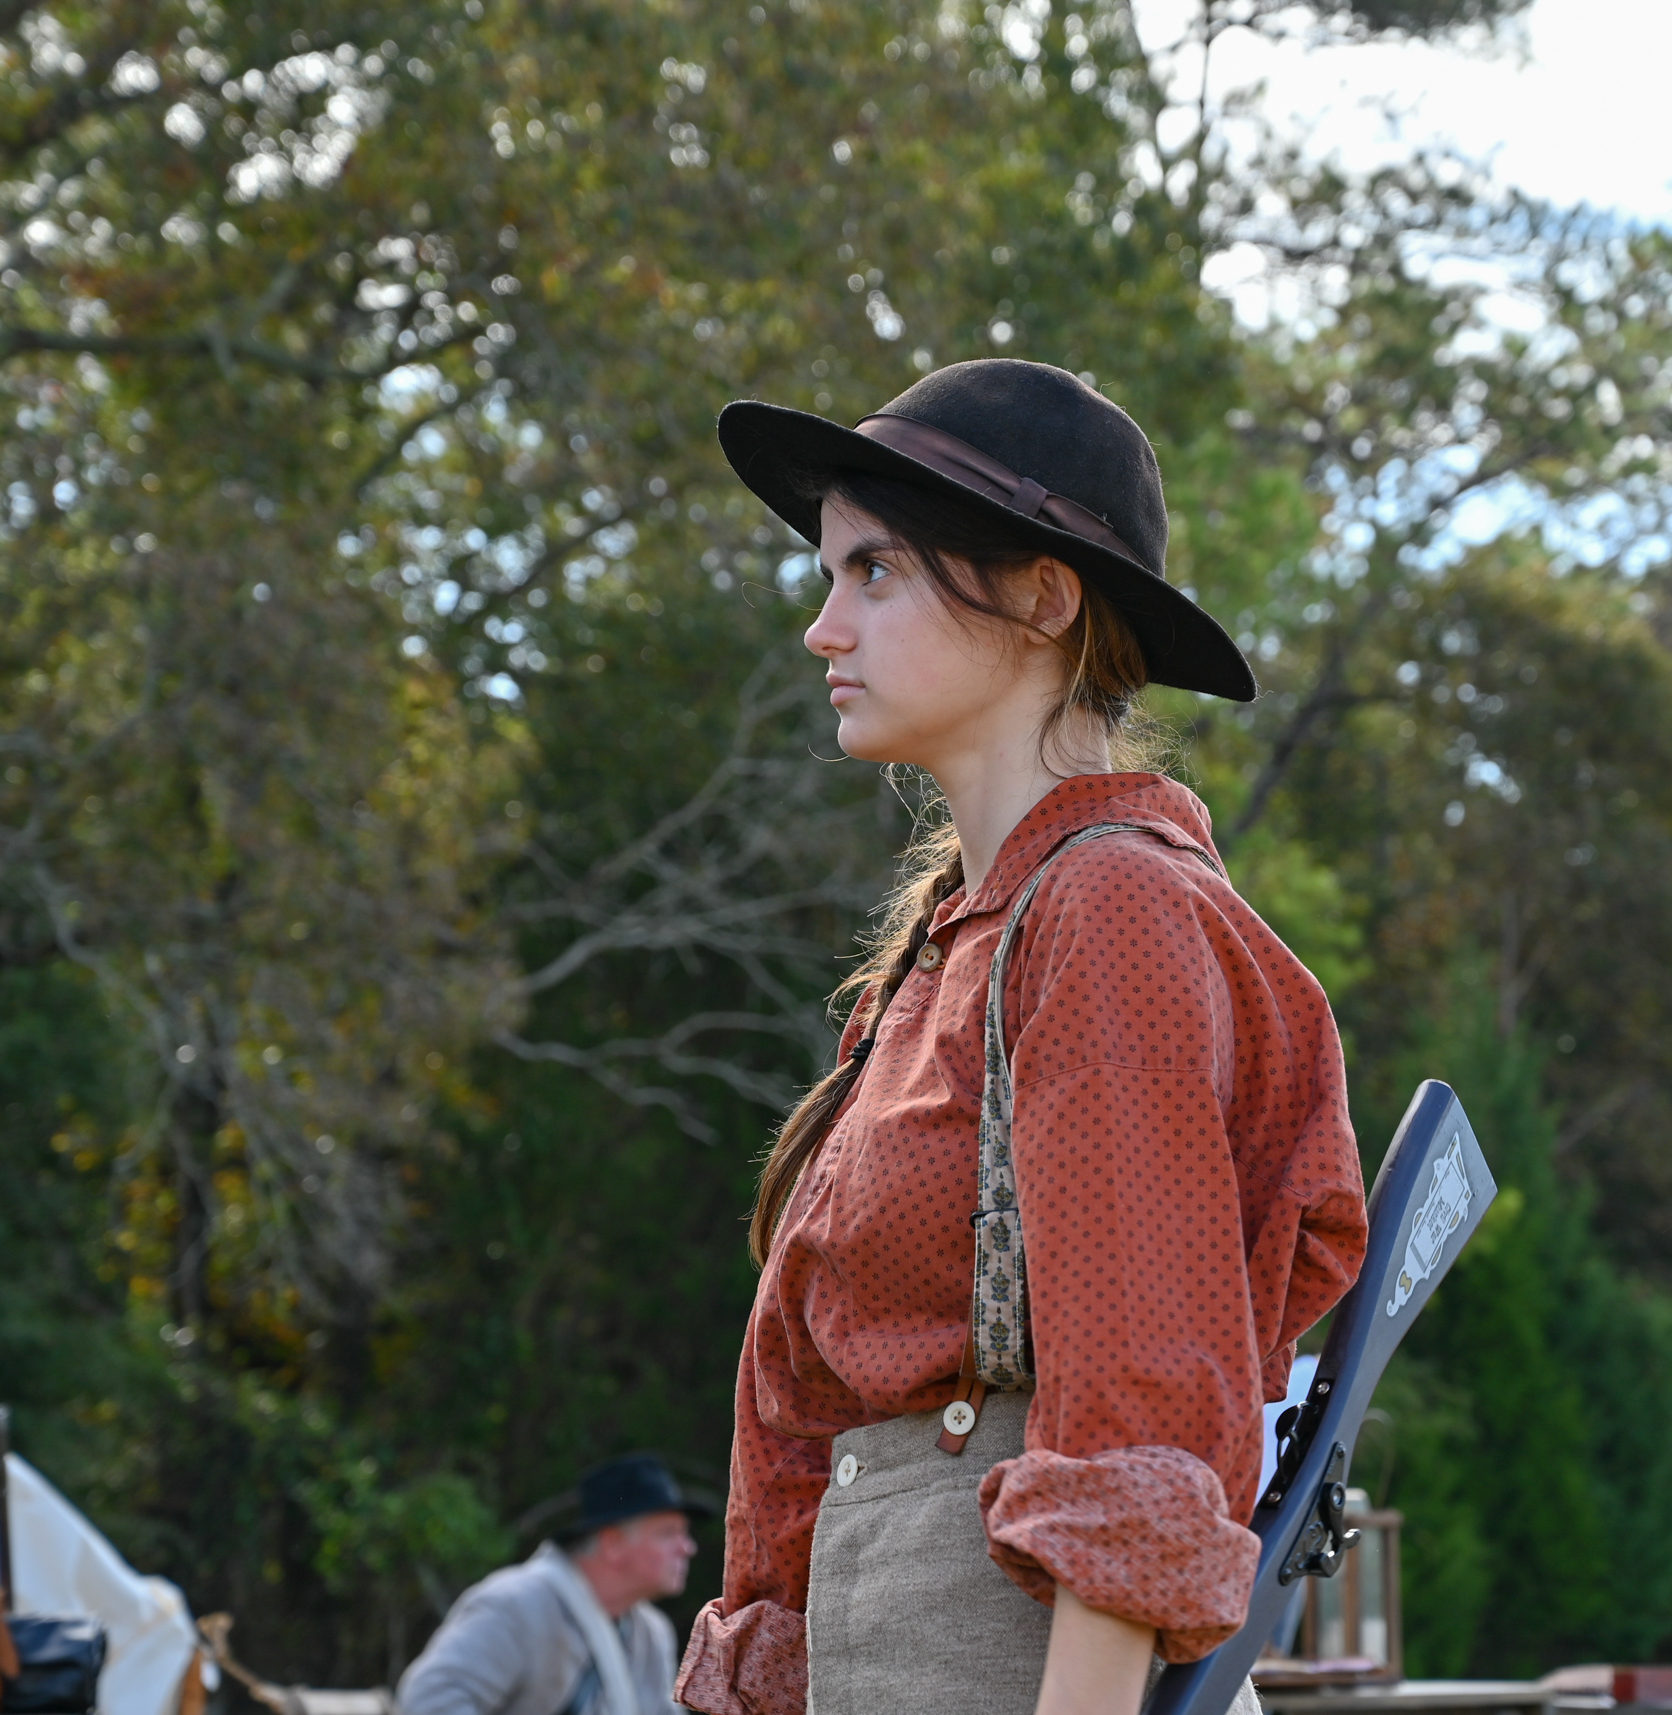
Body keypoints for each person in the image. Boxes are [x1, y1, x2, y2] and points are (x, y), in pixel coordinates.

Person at [675, 359, 1368, 1715]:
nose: (824, 627)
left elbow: (1145, 1411)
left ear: (1046, 597)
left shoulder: (1111, 906)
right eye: (830, 576)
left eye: (875, 572)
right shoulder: (950, 951)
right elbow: (804, 1439)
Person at [398, 1455, 704, 1715]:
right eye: (667, 1533)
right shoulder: (516, 1605)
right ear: (612, 1544)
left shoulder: (650, 1632)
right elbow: (429, 1701)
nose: (687, 1548)